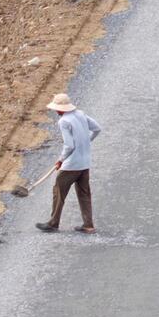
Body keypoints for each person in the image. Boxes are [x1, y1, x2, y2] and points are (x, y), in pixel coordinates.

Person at [36, 93, 101, 234]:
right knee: (84, 194)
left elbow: (69, 146)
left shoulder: (64, 121)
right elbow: (97, 128)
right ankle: (88, 225)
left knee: (59, 191)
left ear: (60, 109)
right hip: (85, 163)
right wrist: (86, 142)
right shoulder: (80, 114)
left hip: (71, 165)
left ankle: (53, 223)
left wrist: (60, 160)